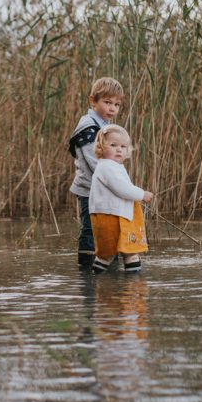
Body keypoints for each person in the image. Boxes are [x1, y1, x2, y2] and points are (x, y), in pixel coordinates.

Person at [68, 77, 124, 269]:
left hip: (103, 189)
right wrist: (116, 183)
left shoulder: (103, 126)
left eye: (116, 104)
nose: (112, 109)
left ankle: (107, 260)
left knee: (107, 226)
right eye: (107, 102)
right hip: (89, 189)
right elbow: (96, 163)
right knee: (90, 229)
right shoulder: (88, 127)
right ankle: (86, 268)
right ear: (93, 101)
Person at [88, 124, 153, 274]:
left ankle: (122, 284)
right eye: (113, 145)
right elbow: (121, 188)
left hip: (116, 215)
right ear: (101, 147)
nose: (119, 149)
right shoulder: (107, 167)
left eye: (123, 146)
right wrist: (142, 194)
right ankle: (131, 286)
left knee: (116, 253)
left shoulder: (114, 166)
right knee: (116, 252)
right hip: (111, 216)